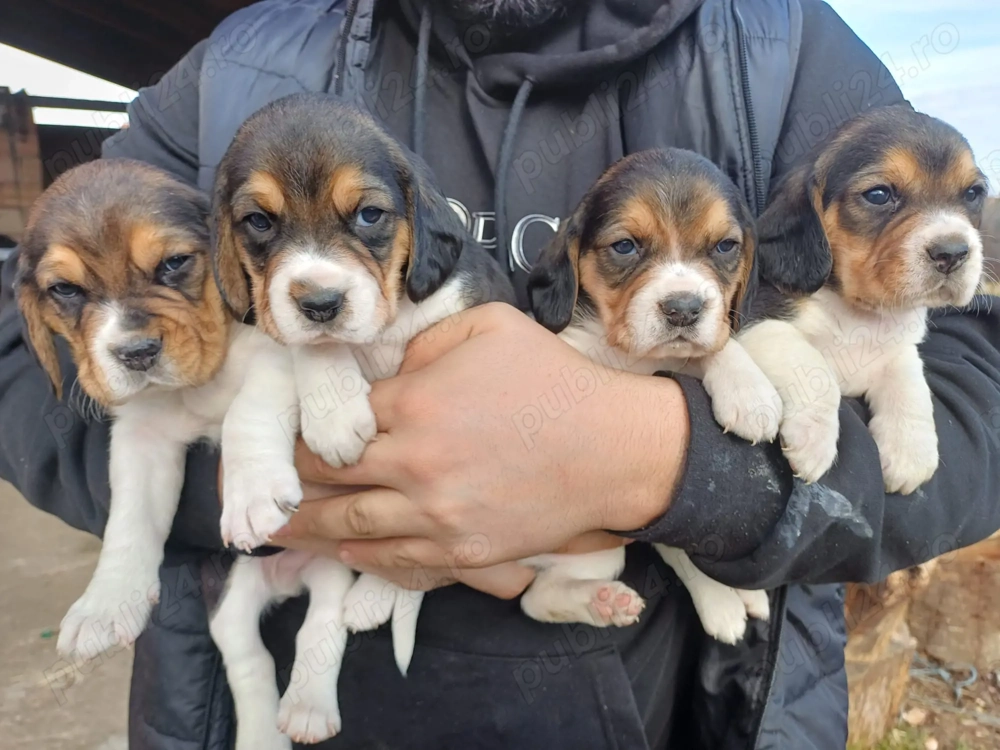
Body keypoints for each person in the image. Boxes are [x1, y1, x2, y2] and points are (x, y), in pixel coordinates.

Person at [2, 1, 999, 748]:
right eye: (259, 227)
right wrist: (291, 488)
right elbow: (43, 340)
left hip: (697, 712)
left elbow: (974, 379)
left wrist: (669, 467)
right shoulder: (240, 59)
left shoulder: (786, 48)